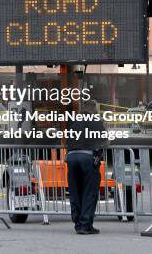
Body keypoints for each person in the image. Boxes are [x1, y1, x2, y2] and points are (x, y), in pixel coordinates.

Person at [65, 100, 107, 235]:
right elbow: (103, 140)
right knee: (89, 192)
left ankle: (78, 222)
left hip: (71, 157)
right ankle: (85, 224)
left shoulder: (74, 120)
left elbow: (68, 139)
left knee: (75, 191)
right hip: (87, 158)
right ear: (94, 109)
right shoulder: (95, 121)